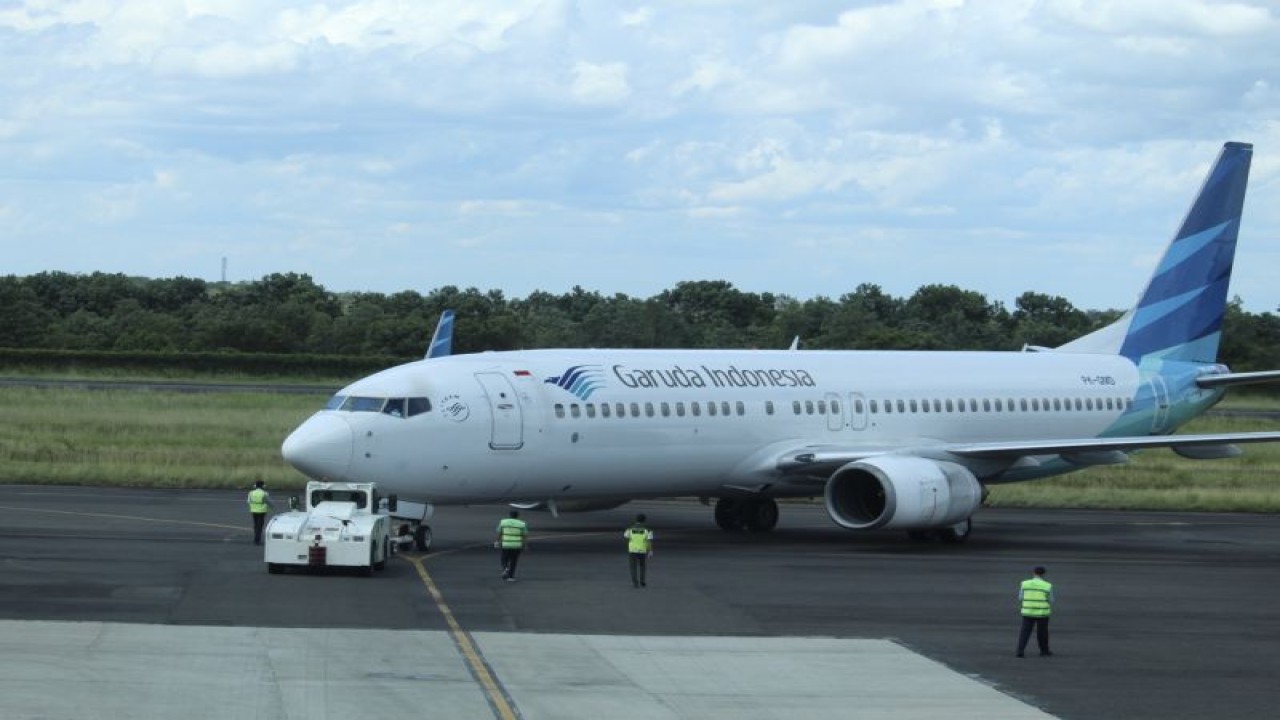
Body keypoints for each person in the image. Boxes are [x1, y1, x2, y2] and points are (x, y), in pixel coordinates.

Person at [1016, 566, 1055, 657]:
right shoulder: (1047, 585)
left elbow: (1020, 597)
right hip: (1042, 612)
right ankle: (1044, 650)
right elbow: (1051, 599)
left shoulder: (1024, 583)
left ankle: (1020, 650)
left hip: (1027, 611)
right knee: (1042, 633)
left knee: (1025, 632)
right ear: (1044, 574)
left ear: (1033, 573)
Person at [495, 510, 528, 582]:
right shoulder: (522, 524)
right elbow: (524, 535)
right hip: (516, 545)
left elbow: (499, 532)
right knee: (514, 561)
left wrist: (497, 541)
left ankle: (505, 568)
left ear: (510, 515)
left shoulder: (503, 522)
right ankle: (511, 577)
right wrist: (525, 545)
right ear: (518, 516)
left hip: (506, 544)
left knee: (504, 559)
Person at [625, 513, 654, 588]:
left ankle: (635, 582)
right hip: (642, 550)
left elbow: (626, 536)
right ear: (644, 520)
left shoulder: (630, 528)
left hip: (632, 550)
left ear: (636, 520)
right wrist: (650, 551)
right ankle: (642, 581)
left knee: (633, 567)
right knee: (642, 566)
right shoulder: (648, 529)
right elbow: (649, 541)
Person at [247, 480, 275, 545]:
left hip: (253, 510)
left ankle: (256, 538)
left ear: (255, 486)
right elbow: (269, 501)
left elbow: (248, 501)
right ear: (263, 486)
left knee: (256, 525)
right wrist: (273, 507)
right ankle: (257, 539)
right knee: (260, 525)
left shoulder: (251, 493)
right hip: (262, 511)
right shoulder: (264, 493)